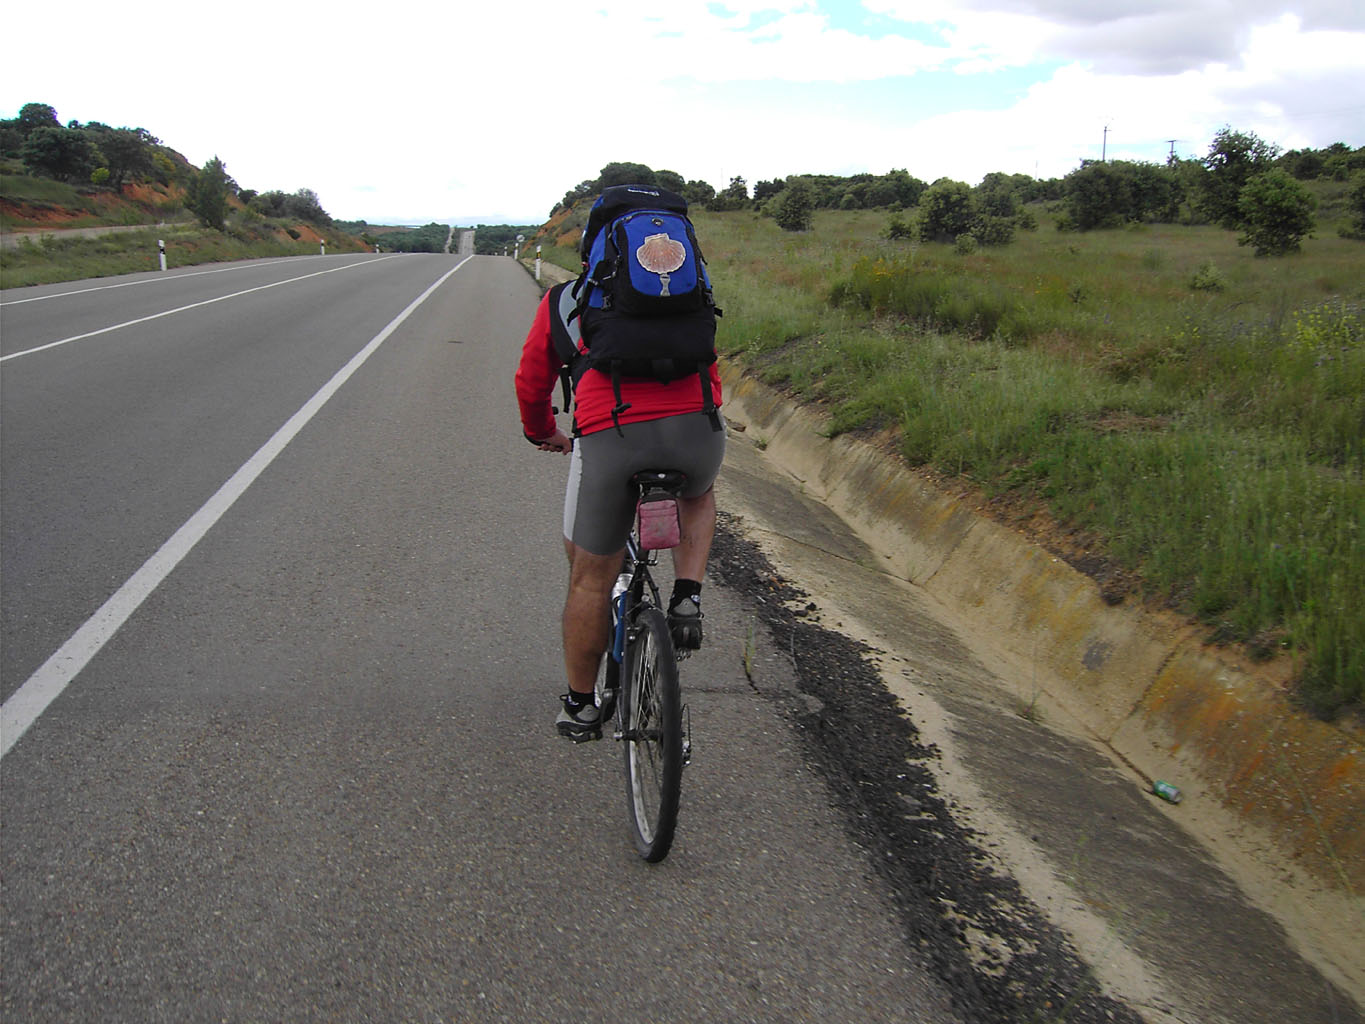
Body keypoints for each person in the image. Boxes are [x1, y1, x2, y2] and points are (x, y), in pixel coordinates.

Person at [515, 279, 726, 741]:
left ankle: (581, 707)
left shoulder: (565, 298)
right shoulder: (690, 285)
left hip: (612, 434)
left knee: (589, 578)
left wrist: (543, 431)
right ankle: (687, 595)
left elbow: (532, 381)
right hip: (698, 431)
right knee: (697, 494)